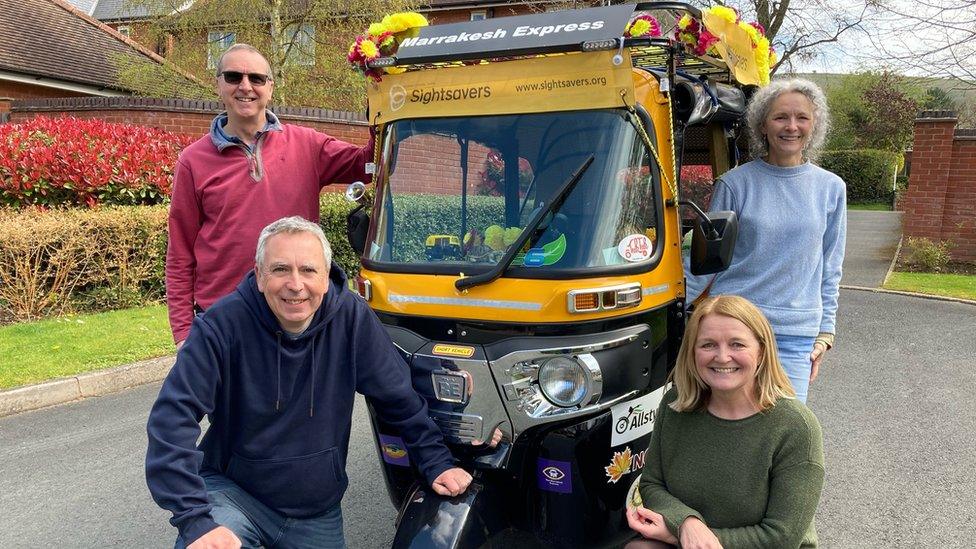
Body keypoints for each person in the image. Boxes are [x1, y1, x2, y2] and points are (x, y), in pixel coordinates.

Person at [146, 216, 472, 549]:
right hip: (234, 495)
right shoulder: (221, 327)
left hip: (316, 512)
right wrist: (195, 521)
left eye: (309, 270)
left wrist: (436, 462)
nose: (295, 284)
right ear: (259, 276)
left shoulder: (351, 317)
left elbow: (397, 395)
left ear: (327, 276)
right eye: (280, 269)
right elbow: (172, 420)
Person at [166, 43, 374, 348]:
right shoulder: (193, 161)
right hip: (223, 320)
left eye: (257, 79)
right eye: (234, 76)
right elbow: (180, 251)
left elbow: (368, 165)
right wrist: (183, 332)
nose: (245, 87)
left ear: (270, 87)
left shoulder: (308, 146)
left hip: (295, 314)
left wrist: (382, 107)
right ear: (219, 85)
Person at [685, 78, 846, 402]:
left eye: (801, 117)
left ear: (814, 125)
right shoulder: (734, 185)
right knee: (729, 426)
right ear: (762, 125)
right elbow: (706, 261)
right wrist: (671, 310)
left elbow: (830, 266)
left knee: (783, 434)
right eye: (780, 117)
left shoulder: (831, 189)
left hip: (794, 334)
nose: (791, 126)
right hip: (733, 329)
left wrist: (825, 331)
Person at [626, 295, 824, 549]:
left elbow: (781, 537)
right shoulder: (676, 405)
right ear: (692, 351)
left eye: (737, 344)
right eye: (708, 345)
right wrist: (687, 524)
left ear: (761, 352)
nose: (722, 357)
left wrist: (682, 536)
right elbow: (652, 484)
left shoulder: (795, 427)